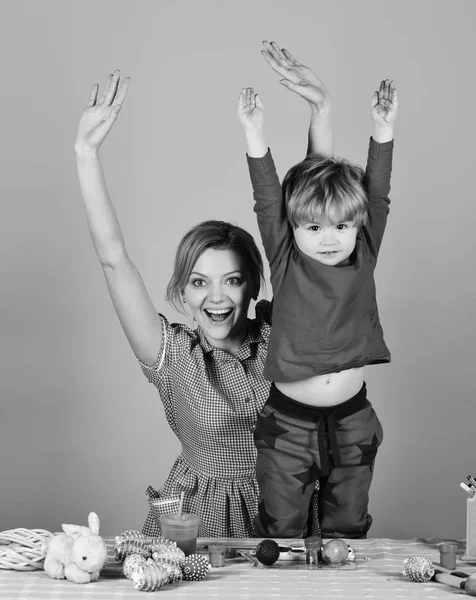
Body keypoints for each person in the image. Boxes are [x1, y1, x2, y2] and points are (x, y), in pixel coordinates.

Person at [74, 70, 274, 537]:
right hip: (192, 525)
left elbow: (309, 234)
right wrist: (86, 153)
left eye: (233, 280)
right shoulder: (176, 359)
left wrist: (314, 114)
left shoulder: (280, 339)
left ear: (252, 288)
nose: (216, 297)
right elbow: (114, 260)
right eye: (200, 282)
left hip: (282, 513)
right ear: (182, 292)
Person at [237, 41, 398, 539]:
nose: (328, 238)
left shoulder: (363, 250)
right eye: (312, 228)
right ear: (295, 228)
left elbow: (375, 193)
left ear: (357, 226)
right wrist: (254, 133)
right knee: (281, 528)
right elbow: (270, 200)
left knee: (348, 527)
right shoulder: (286, 260)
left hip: (353, 418)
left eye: (339, 227)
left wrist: (383, 131)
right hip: (289, 423)